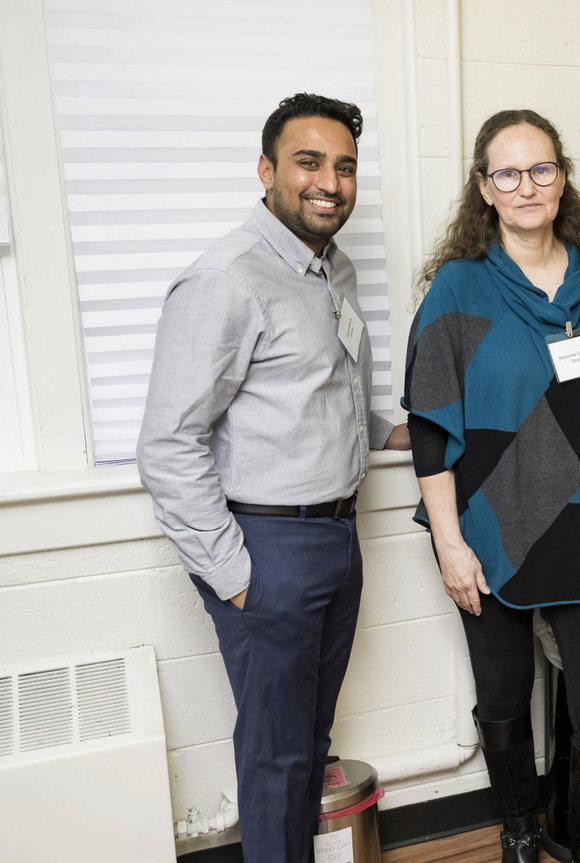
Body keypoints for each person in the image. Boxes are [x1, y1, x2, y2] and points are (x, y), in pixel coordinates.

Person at [137, 93, 410, 863]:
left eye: (345, 166)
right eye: (309, 162)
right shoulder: (227, 277)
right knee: (276, 755)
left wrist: (422, 431)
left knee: (309, 745)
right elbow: (167, 443)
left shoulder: (332, 270)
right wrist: (236, 575)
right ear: (267, 170)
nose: (330, 181)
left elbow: (334, 401)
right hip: (268, 550)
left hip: (335, 536)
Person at [403, 108, 580, 863]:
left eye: (541, 169)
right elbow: (428, 425)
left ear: (562, 177)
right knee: (505, 697)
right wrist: (449, 541)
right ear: (484, 187)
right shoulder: (458, 289)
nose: (526, 186)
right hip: (487, 526)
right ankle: (518, 828)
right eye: (507, 173)